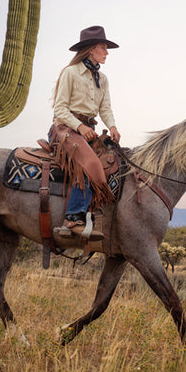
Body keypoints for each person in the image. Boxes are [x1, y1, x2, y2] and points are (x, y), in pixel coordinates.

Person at [51, 25, 122, 239]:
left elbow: (105, 109)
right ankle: (72, 218)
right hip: (64, 129)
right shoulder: (70, 72)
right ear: (91, 49)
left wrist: (112, 126)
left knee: (112, 162)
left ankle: (96, 217)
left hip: (88, 132)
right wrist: (79, 126)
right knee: (90, 163)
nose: (107, 52)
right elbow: (60, 109)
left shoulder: (103, 79)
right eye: (103, 47)